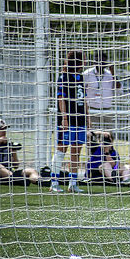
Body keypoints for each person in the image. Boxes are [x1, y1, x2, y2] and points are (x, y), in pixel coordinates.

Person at [51, 50, 89, 193]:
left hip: (80, 119)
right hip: (68, 119)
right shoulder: (64, 77)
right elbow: (61, 99)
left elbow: (83, 99)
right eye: (83, 59)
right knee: (61, 150)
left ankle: (73, 183)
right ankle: (54, 182)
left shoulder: (80, 77)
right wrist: (64, 118)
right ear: (78, 61)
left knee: (76, 151)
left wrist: (87, 117)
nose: (85, 62)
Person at [0, 118, 40, 186]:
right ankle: (18, 180)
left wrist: (13, 152)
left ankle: (39, 181)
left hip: (8, 173)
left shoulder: (8, 144)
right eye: (1, 129)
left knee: (31, 171)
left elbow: (15, 166)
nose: (4, 131)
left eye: (5, 129)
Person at [82, 52, 117, 132]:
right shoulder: (87, 74)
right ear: (94, 61)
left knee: (108, 136)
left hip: (106, 110)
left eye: (103, 61)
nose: (101, 63)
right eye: (98, 61)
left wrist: (114, 74)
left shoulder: (110, 75)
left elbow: (118, 89)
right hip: (92, 110)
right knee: (92, 135)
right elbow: (81, 90)